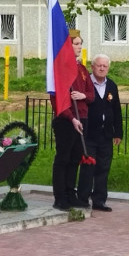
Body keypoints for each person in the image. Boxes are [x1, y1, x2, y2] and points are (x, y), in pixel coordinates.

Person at [50, 33, 94, 210]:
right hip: (67, 120)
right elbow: (57, 100)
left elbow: (91, 95)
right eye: (76, 43)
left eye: (80, 43)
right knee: (63, 158)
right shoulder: (60, 70)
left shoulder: (82, 69)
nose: (79, 46)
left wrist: (83, 95)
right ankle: (60, 197)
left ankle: (70, 193)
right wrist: (71, 118)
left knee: (76, 158)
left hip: (82, 118)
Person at [77, 54, 122, 211]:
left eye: (105, 66)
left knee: (103, 167)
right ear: (92, 66)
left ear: (108, 68)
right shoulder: (86, 83)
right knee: (88, 166)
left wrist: (118, 133)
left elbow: (116, 110)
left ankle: (99, 200)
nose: (102, 68)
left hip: (106, 134)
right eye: (99, 65)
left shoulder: (112, 86)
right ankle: (82, 198)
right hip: (89, 133)